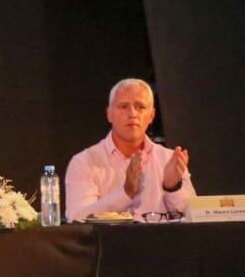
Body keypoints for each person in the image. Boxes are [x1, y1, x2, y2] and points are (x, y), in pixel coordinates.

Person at [65, 78, 195, 221]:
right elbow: (77, 217)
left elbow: (194, 216)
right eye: (123, 106)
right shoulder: (85, 162)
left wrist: (173, 187)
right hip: (109, 243)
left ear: (151, 115)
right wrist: (125, 193)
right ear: (109, 114)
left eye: (140, 107)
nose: (132, 114)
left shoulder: (169, 160)